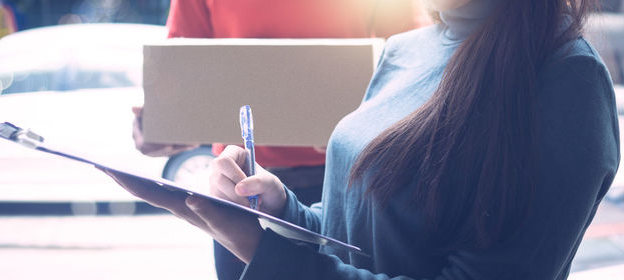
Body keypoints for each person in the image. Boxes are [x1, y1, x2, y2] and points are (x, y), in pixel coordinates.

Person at [108, 0, 620, 278]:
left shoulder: (566, 82)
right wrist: (279, 208)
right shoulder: (407, 49)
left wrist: (263, 248)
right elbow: (354, 230)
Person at [130, 1, 429, 279]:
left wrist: (369, 125)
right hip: (239, 186)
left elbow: (417, 69)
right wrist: (158, 124)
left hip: (346, 182)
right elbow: (180, 74)